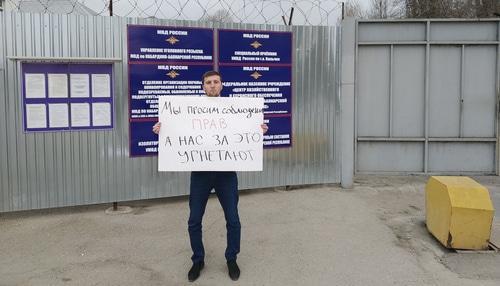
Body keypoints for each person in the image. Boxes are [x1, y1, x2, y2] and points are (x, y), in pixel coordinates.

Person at [152, 70, 268, 282]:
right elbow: (176, 130)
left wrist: (258, 130)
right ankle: (198, 260)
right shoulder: (189, 111)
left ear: (222, 85)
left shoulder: (236, 111)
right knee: (194, 219)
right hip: (201, 173)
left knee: (233, 219)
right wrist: (162, 129)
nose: (213, 85)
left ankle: (231, 258)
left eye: (216, 82)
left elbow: (247, 132)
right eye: (208, 82)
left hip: (226, 173)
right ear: (203, 86)